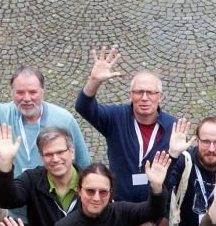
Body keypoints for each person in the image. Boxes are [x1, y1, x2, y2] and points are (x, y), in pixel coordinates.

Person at [74, 47, 177, 200]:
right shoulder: (115, 118)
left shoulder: (173, 127)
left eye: (150, 92)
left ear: (160, 97)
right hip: (121, 208)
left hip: (157, 208)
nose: (144, 97)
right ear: (130, 95)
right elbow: (83, 107)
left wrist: (165, 217)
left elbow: (176, 173)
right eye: (138, 92)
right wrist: (94, 81)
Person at [0, 58, 89, 179]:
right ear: (12, 92)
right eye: (20, 92)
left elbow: (83, 162)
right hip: (14, 195)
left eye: (33, 92)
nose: (27, 98)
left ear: (43, 91)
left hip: (52, 197)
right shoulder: (0, 115)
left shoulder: (64, 119)